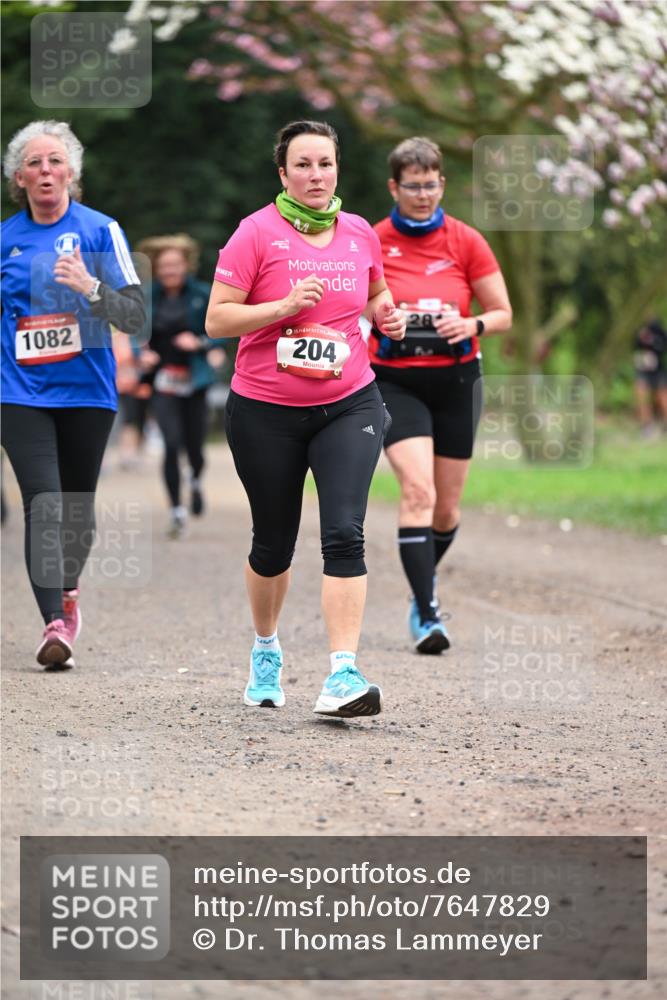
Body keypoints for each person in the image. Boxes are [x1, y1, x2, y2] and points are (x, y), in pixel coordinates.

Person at [206, 120, 406, 718]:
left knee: (345, 532)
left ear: (337, 168)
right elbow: (217, 319)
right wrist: (284, 307)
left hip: (350, 403)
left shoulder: (360, 232)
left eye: (325, 164)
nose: (316, 175)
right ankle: (266, 648)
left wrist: (387, 315)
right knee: (273, 543)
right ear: (283, 173)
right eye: (303, 165)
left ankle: (343, 673)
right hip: (265, 410)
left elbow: (376, 294)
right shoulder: (255, 233)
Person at [1, 120, 145, 669]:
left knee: (76, 507)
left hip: (87, 390)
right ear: (19, 177)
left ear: (71, 173)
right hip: (19, 390)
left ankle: (68, 591)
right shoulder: (5, 238)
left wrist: (90, 286)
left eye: (55, 161)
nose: (45, 171)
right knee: (43, 501)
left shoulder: (100, 230)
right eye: (34, 163)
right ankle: (53, 624)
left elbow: (134, 316)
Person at [369, 137, 512, 653]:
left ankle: (420, 588)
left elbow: (502, 313)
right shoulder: (372, 241)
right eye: (413, 186)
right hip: (395, 380)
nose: (423, 195)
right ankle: (428, 615)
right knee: (418, 492)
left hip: (457, 383)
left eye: (431, 185)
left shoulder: (465, 240)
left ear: (442, 184)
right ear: (394, 187)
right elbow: (353, 305)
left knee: (446, 511)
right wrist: (383, 317)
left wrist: (471, 323)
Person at [137, 234, 226, 537]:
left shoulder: (203, 293)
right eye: (164, 266)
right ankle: (176, 510)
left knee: (195, 447)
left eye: (175, 264)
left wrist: (202, 343)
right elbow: (132, 332)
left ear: (186, 265)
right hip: (162, 379)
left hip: (195, 379)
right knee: (171, 443)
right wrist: (141, 353)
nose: (170, 271)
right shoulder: (146, 296)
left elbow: (220, 330)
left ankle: (196, 480)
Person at [633, 316, 667, 437]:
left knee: (662, 398)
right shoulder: (641, 333)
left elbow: (661, 348)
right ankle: (646, 426)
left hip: (658, 371)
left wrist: (653, 341)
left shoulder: (661, 334)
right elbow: (636, 347)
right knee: (641, 396)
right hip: (643, 370)